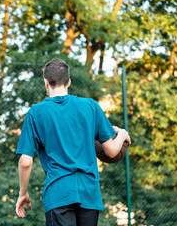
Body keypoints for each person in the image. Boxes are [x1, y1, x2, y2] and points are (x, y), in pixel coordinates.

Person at [15, 58, 131, 226]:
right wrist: (122, 133)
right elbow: (112, 151)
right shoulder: (91, 106)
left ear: (46, 82)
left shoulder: (36, 113)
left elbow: (25, 162)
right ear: (68, 81)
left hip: (59, 193)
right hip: (89, 194)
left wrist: (23, 193)